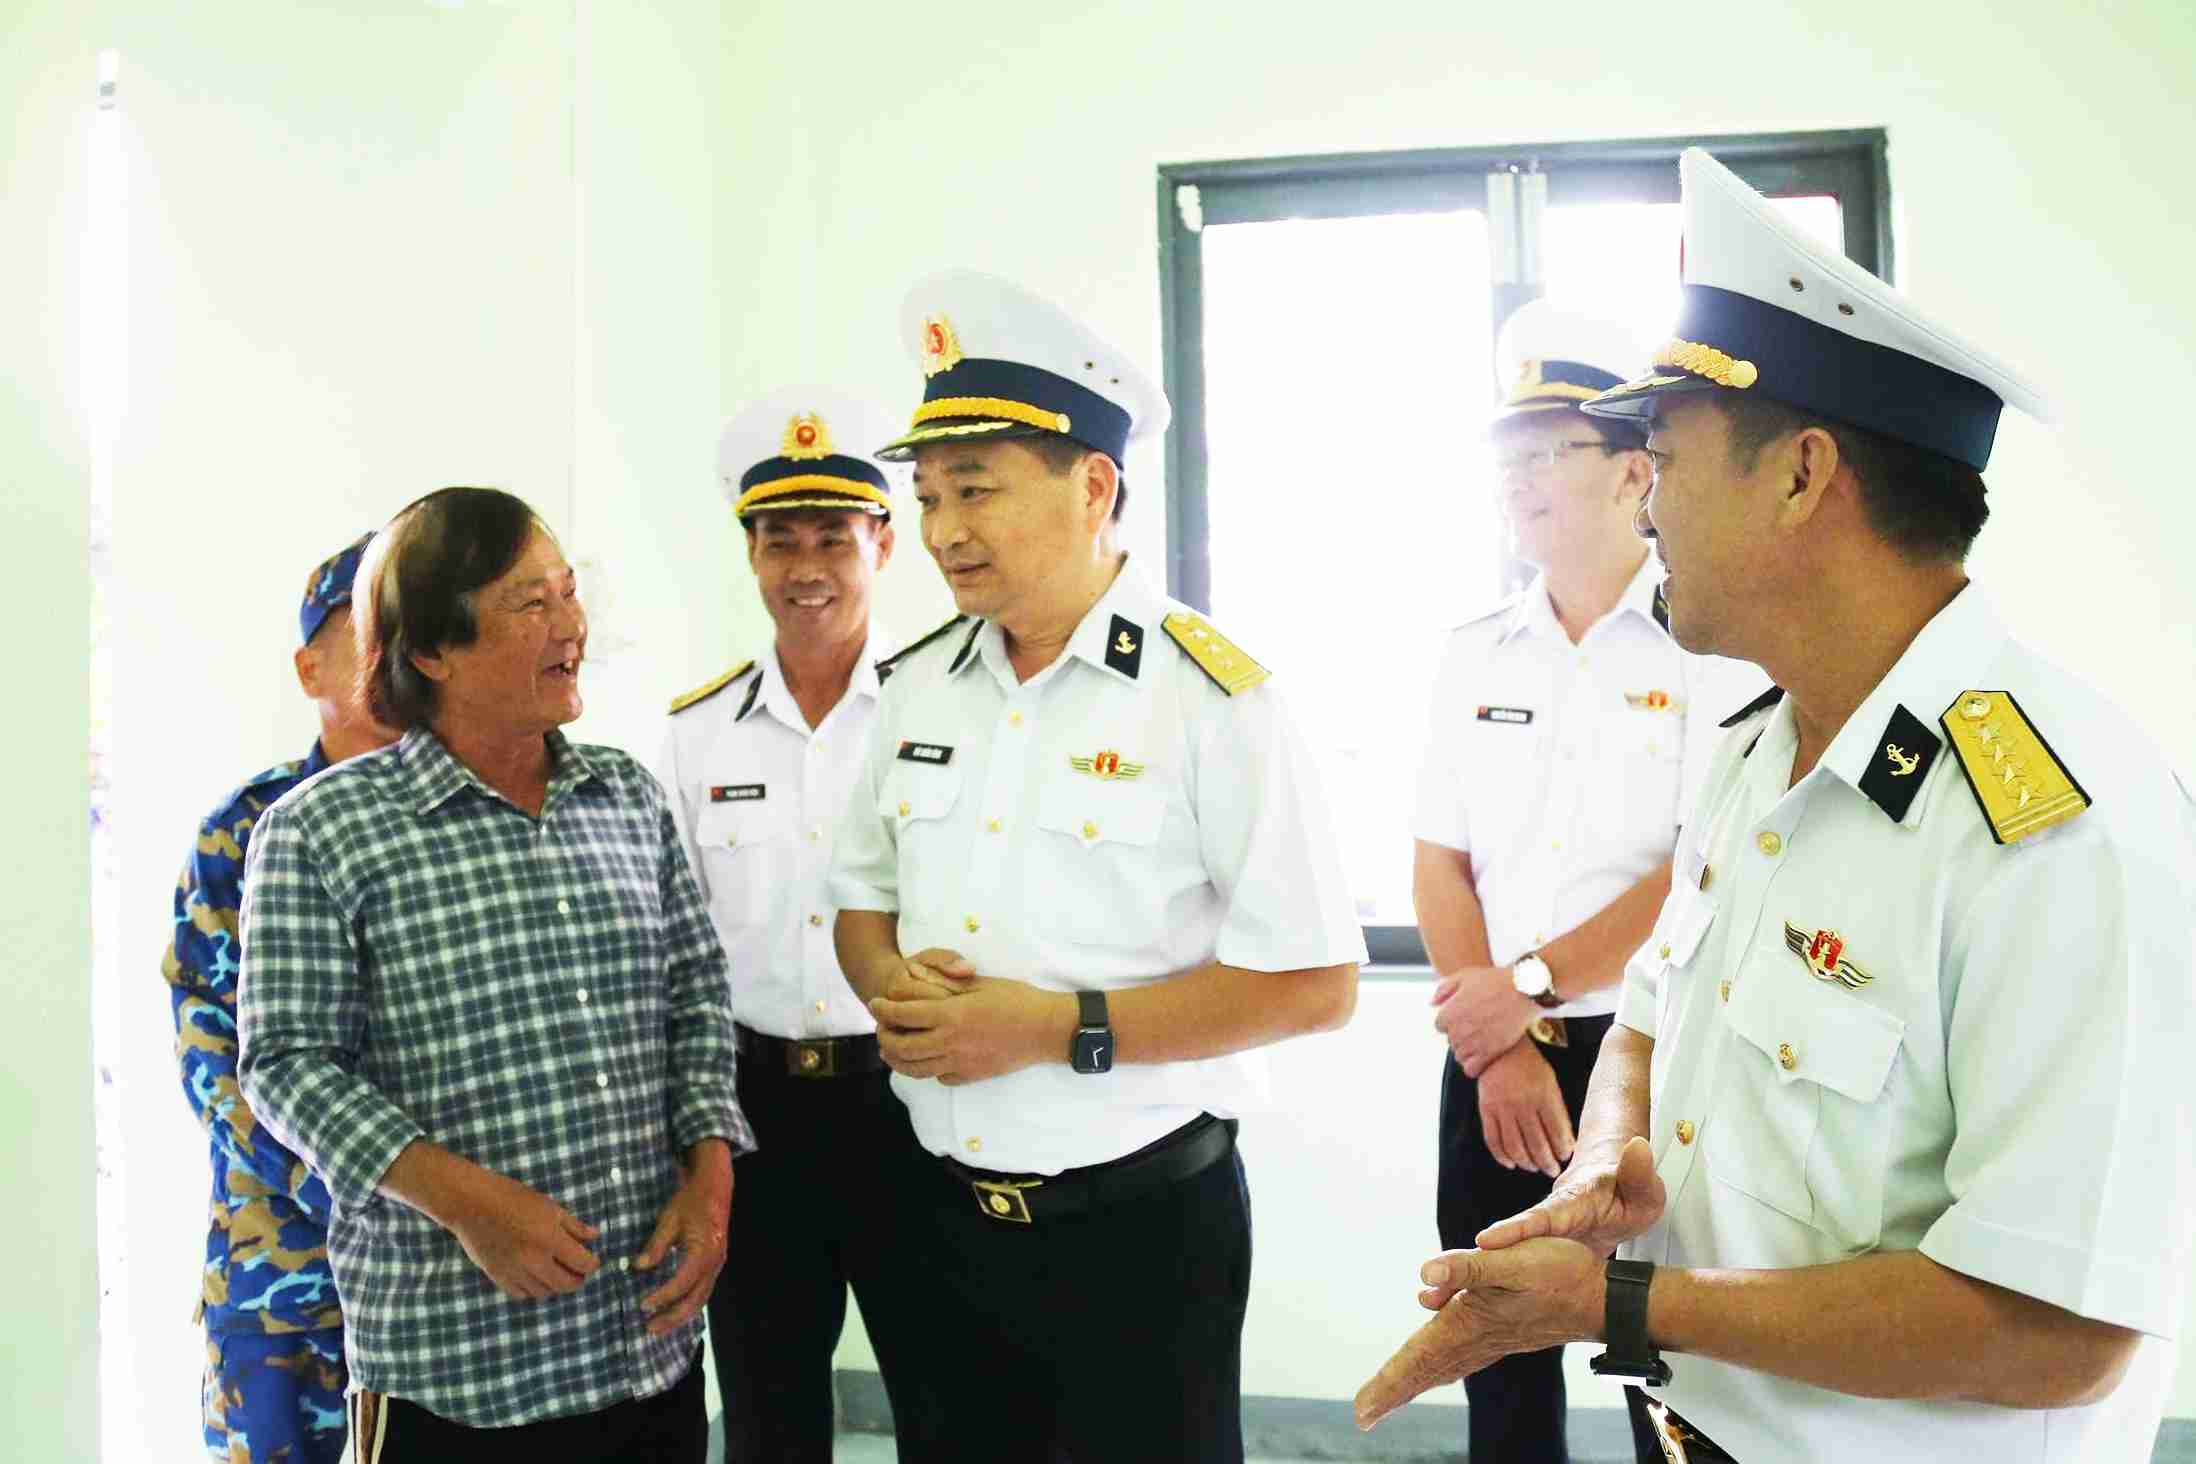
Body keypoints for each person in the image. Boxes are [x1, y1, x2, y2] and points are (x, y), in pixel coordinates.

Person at [1356, 148, 2195, 1464]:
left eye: (1665, 459)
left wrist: (1623, 1300)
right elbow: (1646, 1016)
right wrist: (1606, 1162)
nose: (1644, 507)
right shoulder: (1768, 745)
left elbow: (2061, 1331)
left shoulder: (2057, 824)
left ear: (1802, 476)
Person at [828, 269, 1366, 1463]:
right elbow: (860, 897)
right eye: (926, 497)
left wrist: (1051, 1028)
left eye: (976, 490)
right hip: (939, 1222)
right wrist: (889, 990)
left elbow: (1316, 984)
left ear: (1095, 486)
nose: (944, 531)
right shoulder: (915, 686)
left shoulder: (1212, 699)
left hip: (1140, 1230)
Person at [237, 486, 749, 1461]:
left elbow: (696, 997)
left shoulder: (624, 797)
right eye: (532, 604)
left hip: (643, 1354)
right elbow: (284, 1065)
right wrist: (469, 1202)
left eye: (569, 593)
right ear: (431, 649)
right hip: (453, 1376)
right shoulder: (322, 830)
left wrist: (709, 1181)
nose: (573, 627)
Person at [1413, 300, 1763, 1463]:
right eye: (1508, 456)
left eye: (1552, 452)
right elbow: (1437, 855)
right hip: (1490, 1067)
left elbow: (1697, 869)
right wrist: (1499, 1036)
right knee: (1496, 1356)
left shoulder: (1703, 643)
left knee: (1656, 1368)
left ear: (1632, 472)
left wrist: (1530, 985)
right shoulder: (1475, 648)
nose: (1520, 479)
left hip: (1648, 1065)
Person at [658, 389, 938, 1462]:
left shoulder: (941, 708)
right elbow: (679, 949)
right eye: (780, 540)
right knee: (769, 1410)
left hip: (913, 1103)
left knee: (946, 1389)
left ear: (884, 541)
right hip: (758, 1110)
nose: (806, 565)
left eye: (834, 535)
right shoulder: (697, 733)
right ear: (751, 554)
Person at [164, 533, 394, 1464]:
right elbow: (213, 1054)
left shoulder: (461, 816)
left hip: (434, 1284)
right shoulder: (243, 833)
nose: (395, 652)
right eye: (367, 631)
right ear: (311, 667)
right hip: (282, 1275)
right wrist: (355, 1192)